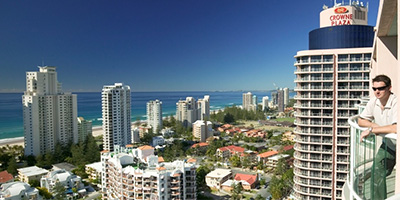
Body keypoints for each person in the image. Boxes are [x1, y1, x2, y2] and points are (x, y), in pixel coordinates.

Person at [358, 74, 397, 200]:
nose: (377, 92)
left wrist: (372, 129)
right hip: (389, 145)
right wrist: (374, 125)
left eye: (380, 88)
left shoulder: (396, 102)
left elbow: (396, 128)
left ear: (389, 88)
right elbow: (361, 120)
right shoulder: (374, 101)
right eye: (374, 89)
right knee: (376, 174)